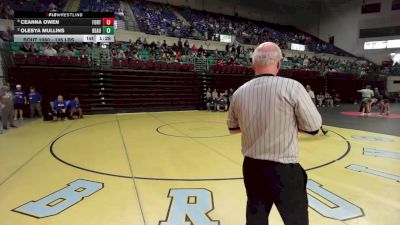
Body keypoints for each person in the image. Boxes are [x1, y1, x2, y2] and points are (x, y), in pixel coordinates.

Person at [227, 42, 322, 225]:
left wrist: (255, 124)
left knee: (256, 217)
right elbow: (313, 127)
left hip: (252, 166)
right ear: (278, 64)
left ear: (253, 65)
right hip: (283, 167)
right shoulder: (292, 87)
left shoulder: (239, 92)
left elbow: (233, 128)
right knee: (296, 219)